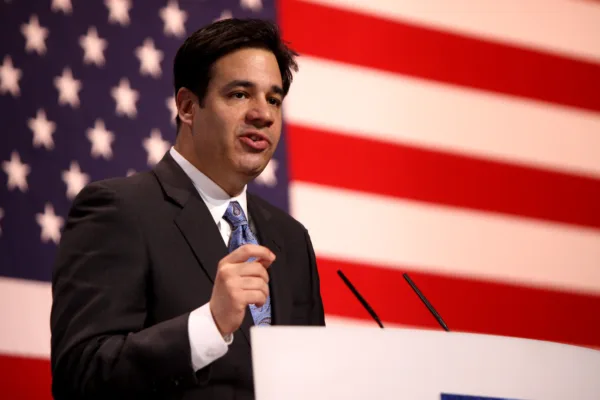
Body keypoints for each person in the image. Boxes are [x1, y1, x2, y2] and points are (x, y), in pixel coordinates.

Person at [49, 18, 326, 400]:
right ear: (188, 107)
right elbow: (79, 376)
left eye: (274, 99)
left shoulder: (292, 239)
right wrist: (208, 326)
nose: (263, 114)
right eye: (240, 94)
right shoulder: (119, 210)